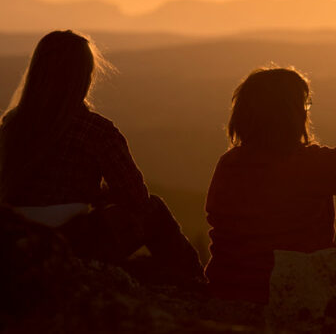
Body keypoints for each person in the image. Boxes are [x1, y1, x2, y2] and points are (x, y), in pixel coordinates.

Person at [0, 30, 203, 282]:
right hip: (74, 242)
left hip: (16, 241)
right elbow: (136, 196)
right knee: (154, 209)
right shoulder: (95, 130)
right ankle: (196, 282)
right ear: (84, 77)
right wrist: (101, 195)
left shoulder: (11, 125)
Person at [204, 67, 336, 303]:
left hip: (228, 284)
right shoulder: (303, 163)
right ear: (290, 115)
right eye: (305, 106)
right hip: (283, 285)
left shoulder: (228, 164)